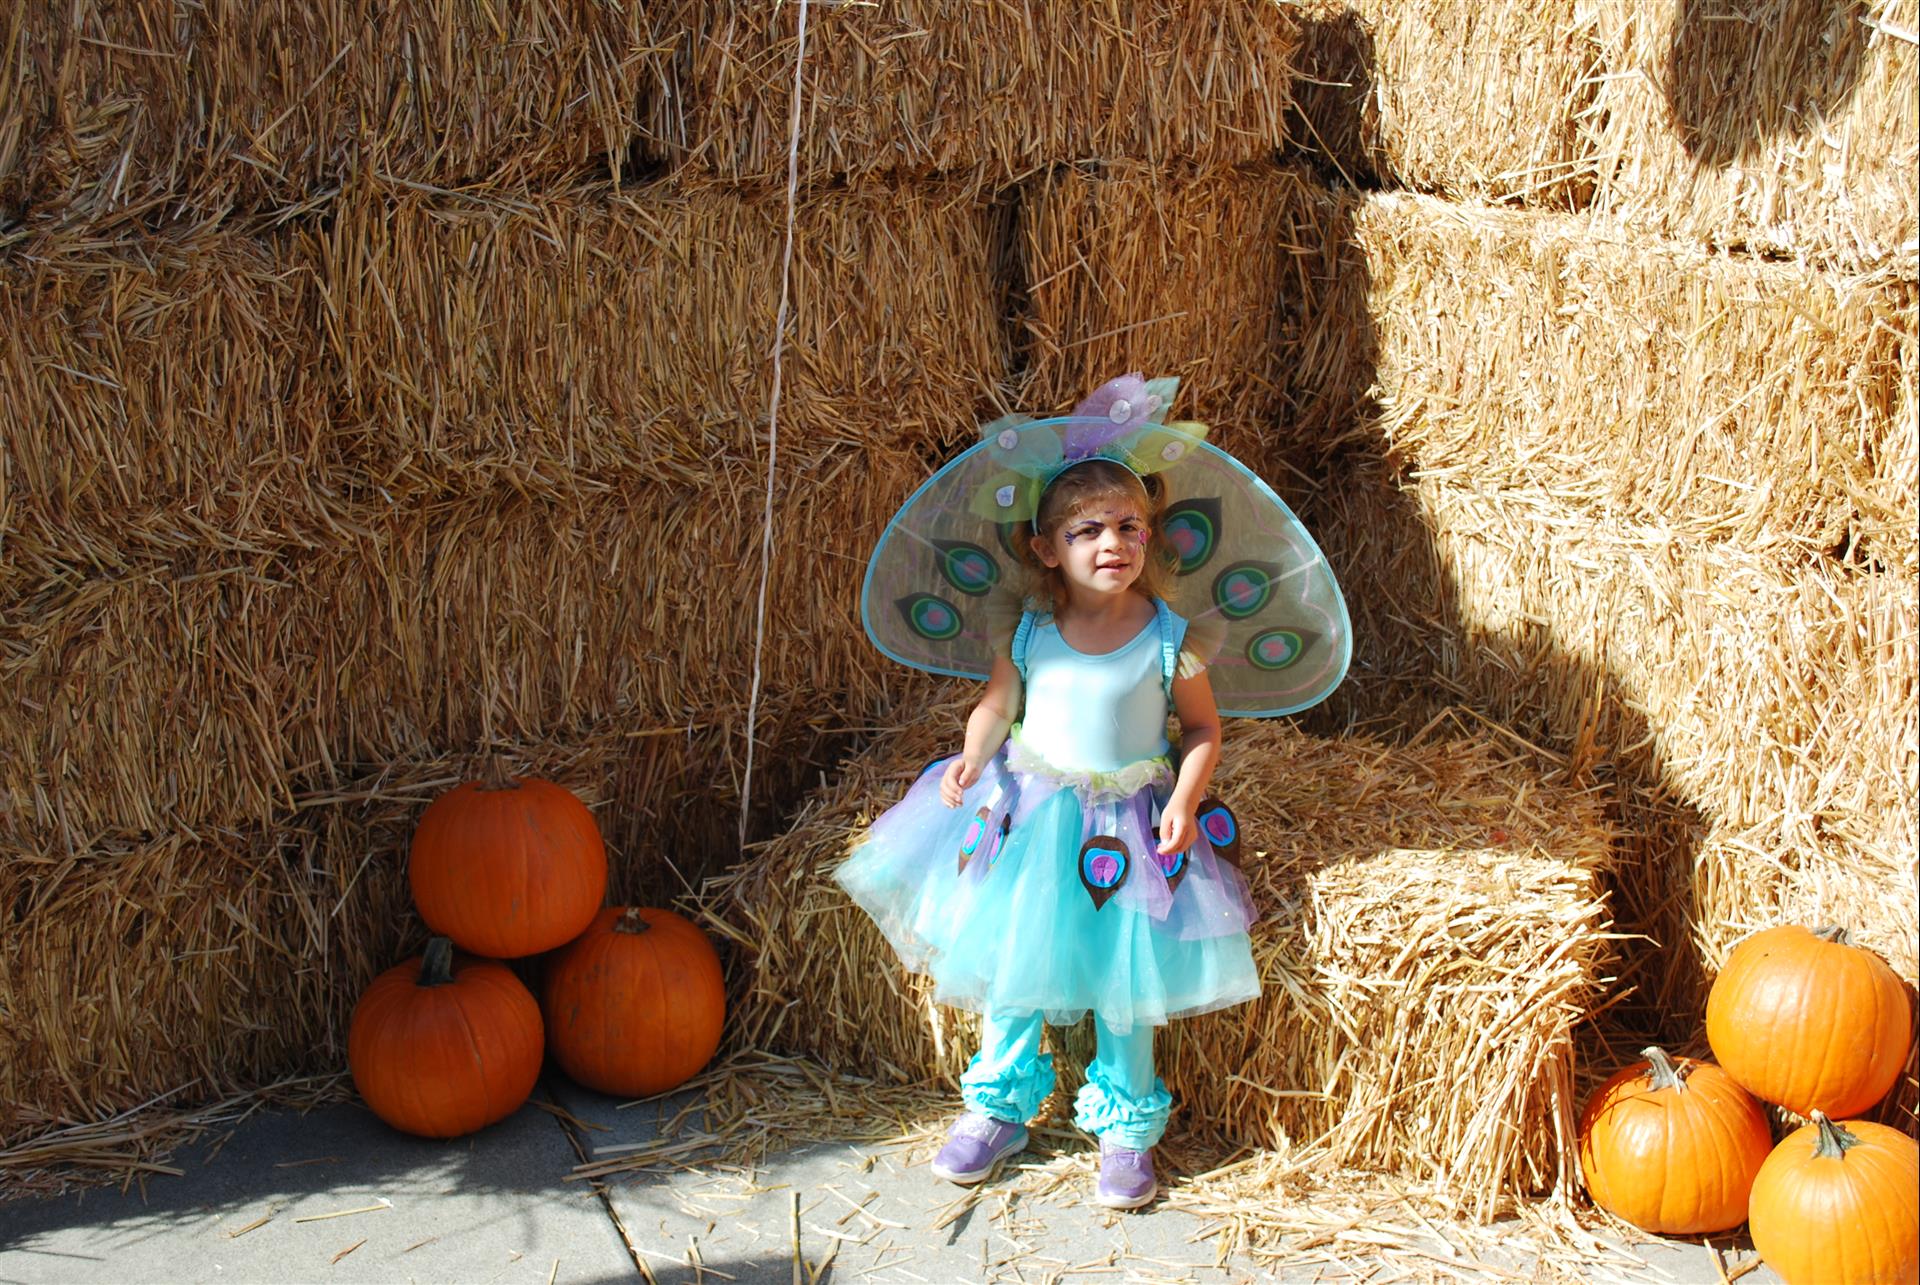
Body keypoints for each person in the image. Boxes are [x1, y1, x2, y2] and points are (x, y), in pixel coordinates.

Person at [839, 374, 1349, 1210]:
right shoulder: (1032, 629)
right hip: (1034, 817)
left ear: (1150, 535)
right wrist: (973, 756)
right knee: (1013, 967)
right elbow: (1000, 703)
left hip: (1127, 825)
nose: (1111, 542)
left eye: (1128, 526)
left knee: (1127, 978)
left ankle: (1124, 1126)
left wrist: (1185, 800)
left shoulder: (1171, 640)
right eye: (1086, 529)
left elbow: (1203, 732)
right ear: (1047, 549)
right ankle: (997, 1106)